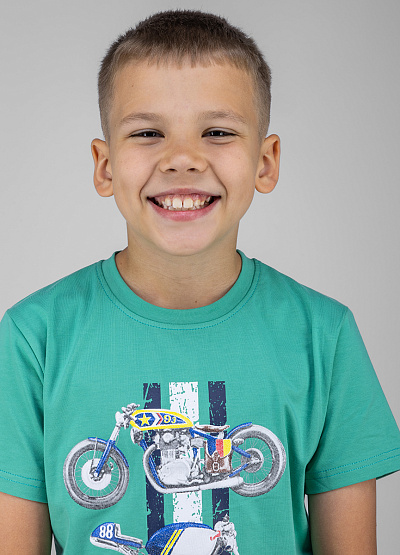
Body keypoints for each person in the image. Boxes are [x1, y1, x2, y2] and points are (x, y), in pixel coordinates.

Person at [0, 10, 399, 555]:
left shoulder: (323, 335)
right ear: (105, 166)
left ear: (265, 162)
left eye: (217, 133)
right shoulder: (34, 337)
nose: (183, 159)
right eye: (147, 133)